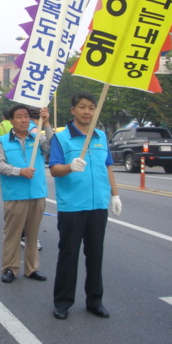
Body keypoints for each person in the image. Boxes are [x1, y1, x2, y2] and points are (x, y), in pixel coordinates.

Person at [49, 92, 122, 321]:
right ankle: (62, 302)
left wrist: (115, 195)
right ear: (73, 110)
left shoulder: (100, 136)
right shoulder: (61, 139)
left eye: (91, 107)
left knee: (95, 254)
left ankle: (95, 300)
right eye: (82, 107)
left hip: (98, 205)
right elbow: (54, 169)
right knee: (69, 255)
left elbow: (108, 166)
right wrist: (70, 166)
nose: (87, 111)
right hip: (72, 206)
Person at [0, 105, 53, 284]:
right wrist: (19, 171)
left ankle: (31, 268)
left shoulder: (37, 139)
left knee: (33, 234)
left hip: (37, 193)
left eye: (26, 116)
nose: (23, 120)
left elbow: (54, 147)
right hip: (15, 195)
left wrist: (47, 123)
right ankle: (10, 268)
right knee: (13, 233)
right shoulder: (2, 141)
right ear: (11, 120)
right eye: (19, 117)